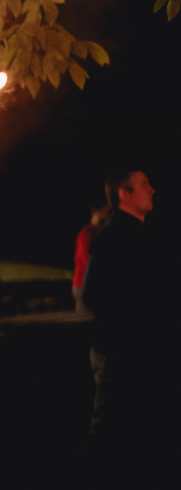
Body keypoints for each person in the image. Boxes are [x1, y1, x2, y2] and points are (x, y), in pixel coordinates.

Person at [81, 169, 159, 450]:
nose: (152, 190)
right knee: (110, 427)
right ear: (124, 194)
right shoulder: (113, 237)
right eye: (144, 185)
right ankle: (96, 487)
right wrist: (132, 325)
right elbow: (93, 295)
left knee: (133, 427)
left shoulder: (139, 234)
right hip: (118, 350)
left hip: (134, 347)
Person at [72, 201, 109, 314]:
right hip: (84, 286)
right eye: (106, 211)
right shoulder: (87, 234)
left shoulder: (100, 232)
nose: (109, 215)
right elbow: (88, 260)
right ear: (97, 212)